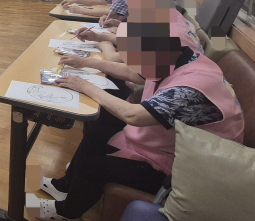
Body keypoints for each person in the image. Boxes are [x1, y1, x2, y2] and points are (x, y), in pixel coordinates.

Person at [31, 17, 244, 221]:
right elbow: (133, 73)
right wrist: (83, 62)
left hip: (190, 171)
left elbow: (132, 115)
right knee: (98, 130)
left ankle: (68, 212)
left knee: (95, 162)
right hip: (171, 146)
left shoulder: (191, 88)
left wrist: (85, 86)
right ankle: (64, 187)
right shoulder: (180, 56)